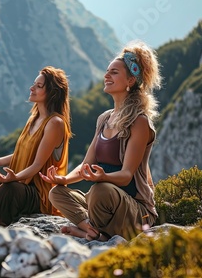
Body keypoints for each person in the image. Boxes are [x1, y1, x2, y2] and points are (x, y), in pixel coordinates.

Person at [40, 41, 162, 241]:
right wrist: (63, 179)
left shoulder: (139, 122)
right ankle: (93, 231)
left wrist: (102, 177)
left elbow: (126, 175)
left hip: (136, 211)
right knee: (56, 194)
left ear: (130, 80)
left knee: (99, 190)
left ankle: (89, 230)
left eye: (114, 72)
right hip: (103, 202)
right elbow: (85, 165)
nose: (106, 75)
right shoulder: (104, 118)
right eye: (107, 71)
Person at [0, 66, 72, 226]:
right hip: (18, 185)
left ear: (52, 93)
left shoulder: (55, 123)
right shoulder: (33, 120)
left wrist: (15, 178)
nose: (32, 88)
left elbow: (37, 164)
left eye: (39, 86)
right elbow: (18, 155)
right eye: (34, 84)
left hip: (38, 195)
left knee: (11, 188)